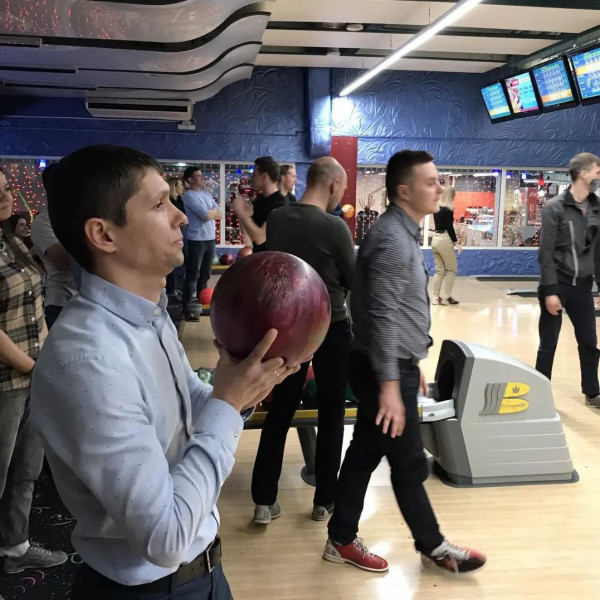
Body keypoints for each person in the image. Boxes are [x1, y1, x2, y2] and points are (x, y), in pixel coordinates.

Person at [29, 145, 300, 600]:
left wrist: (248, 383)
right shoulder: (88, 360)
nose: (180, 218)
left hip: (205, 571)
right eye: (159, 205)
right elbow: (165, 536)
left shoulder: (149, 318)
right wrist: (229, 403)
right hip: (150, 590)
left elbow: (192, 409)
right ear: (104, 234)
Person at [323, 150, 486, 574]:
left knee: (364, 453)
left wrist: (412, 364)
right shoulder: (394, 242)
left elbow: (393, 310)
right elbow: (382, 317)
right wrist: (392, 385)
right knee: (409, 462)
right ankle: (433, 546)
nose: (439, 187)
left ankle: (340, 537)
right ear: (404, 191)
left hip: (391, 364)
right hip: (384, 369)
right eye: (430, 181)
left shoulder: (402, 232)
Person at [251, 157, 355, 524]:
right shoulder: (334, 227)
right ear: (333, 184)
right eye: (342, 189)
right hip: (330, 326)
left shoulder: (278, 217)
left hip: (287, 327)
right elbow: (354, 279)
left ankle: (264, 502)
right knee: (332, 413)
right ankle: (324, 501)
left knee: (280, 410)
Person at [0, 167, 67, 575]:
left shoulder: (10, 241)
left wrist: (44, 356)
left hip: (33, 372)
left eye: (7, 189)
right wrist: (31, 366)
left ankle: (14, 547)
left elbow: (34, 305)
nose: (6, 197)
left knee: (26, 469)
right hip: (6, 381)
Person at [536, 152, 600, 409]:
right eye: (597, 171)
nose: (599, 176)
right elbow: (546, 252)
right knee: (548, 344)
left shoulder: (596, 207)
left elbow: (598, 250)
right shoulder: (555, 207)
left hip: (582, 287)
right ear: (583, 174)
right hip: (558, 284)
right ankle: (540, 393)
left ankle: (592, 392)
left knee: (589, 342)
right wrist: (551, 290)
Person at [30, 164, 78, 328]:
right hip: (61, 302)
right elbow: (65, 260)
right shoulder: (43, 222)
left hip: (90, 300)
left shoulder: (83, 216)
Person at [181, 166, 221, 321]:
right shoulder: (189, 196)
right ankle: (187, 306)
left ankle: (201, 302)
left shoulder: (206, 195)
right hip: (196, 239)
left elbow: (220, 214)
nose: (201, 177)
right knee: (193, 274)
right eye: (198, 176)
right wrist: (211, 212)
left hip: (210, 238)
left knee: (205, 273)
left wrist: (212, 212)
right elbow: (205, 215)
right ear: (190, 179)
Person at [231, 156, 288, 252]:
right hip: (259, 255)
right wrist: (245, 215)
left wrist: (242, 215)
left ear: (264, 177)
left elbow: (260, 238)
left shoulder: (280, 204)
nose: (251, 179)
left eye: (254, 175)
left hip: (273, 258)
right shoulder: (259, 200)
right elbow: (250, 234)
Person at [431, 185, 461, 305]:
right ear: (450, 195)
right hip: (444, 239)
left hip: (435, 239)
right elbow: (449, 227)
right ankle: (447, 296)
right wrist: (456, 243)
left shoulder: (436, 208)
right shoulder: (448, 209)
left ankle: (435, 298)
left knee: (439, 271)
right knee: (452, 269)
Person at [165, 177, 186, 300]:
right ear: (175, 187)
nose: (182, 188)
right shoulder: (171, 202)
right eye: (180, 185)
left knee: (180, 262)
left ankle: (175, 287)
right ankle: (171, 289)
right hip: (173, 234)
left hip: (182, 233)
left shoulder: (180, 200)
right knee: (172, 260)